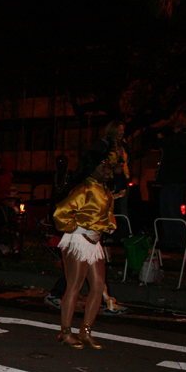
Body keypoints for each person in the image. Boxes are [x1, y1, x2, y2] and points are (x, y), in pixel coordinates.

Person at [53, 147, 116, 349]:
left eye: (108, 166)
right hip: (77, 240)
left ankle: (85, 331)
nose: (107, 170)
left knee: (98, 286)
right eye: (103, 166)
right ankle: (65, 332)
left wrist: (106, 227)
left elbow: (108, 216)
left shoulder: (106, 191)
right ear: (92, 169)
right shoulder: (83, 189)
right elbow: (60, 212)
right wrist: (78, 229)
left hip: (94, 243)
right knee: (75, 286)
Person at [155, 115, 186, 248]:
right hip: (178, 180)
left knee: (170, 209)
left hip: (174, 180)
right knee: (171, 209)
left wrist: (161, 139)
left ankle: (176, 238)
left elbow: (169, 149)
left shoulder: (179, 140)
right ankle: (176, 238)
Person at [90, 121, 129, 216]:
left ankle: (123, 228)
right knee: (108, 206)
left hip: (123, 178)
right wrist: (112, 167)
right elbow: (96, 160)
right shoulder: (103, 144)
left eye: (123, 130)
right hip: (109, 179)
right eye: (120, 130)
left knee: (122, 207)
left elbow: (127, 159)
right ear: (113, 130)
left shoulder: (122, 144)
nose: (122, 132)